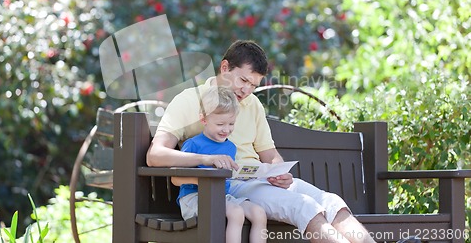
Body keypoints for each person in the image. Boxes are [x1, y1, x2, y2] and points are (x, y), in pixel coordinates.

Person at [147, 40, 376, 243]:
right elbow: (155, 155)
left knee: (330, 201)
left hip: (259, 178)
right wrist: (207, 159)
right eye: (243, 80)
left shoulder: (252, 104)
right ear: (225, 68)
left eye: (253, 85)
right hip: (228, 185)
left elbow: (269, 154)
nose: (246, 90)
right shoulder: (189, 100)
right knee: (304, 206)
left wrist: (279, 171)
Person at [171, 86, 267, 243]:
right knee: (236, 213)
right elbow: (176, 179)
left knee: (259, 213)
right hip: (193, 198)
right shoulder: (193, 144)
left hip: (223, 197)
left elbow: (229, 177)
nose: (226, 130)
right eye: (221, 124)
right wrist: (205, 181)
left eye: (231, 124)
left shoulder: (230, 147)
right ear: (204, 120)